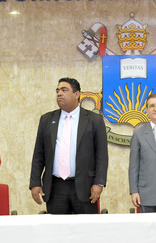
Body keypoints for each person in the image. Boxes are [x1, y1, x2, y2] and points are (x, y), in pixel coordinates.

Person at [30, 77, 108, 214]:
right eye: (57, 91)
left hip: (85, 187)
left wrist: (99, 183)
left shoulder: (94, 120)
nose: (59, 94)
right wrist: (35, 183)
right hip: (55, 188)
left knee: (87, 227)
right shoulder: (47, 120)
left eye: (64, 90)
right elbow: (39, 155)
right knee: (57, 227)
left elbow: (101, 155)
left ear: (77, 94)